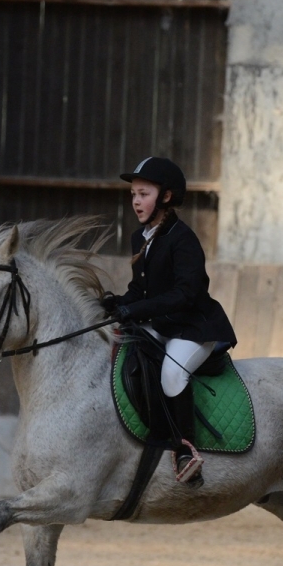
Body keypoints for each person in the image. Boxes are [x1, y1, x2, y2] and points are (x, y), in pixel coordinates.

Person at [101, 157, 237, 487]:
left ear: (165, 196)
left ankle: (186, 450)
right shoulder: (140, 237)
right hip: (162, 324)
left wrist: (136, 310)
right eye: (133, 194)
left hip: (193, 327)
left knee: (172, 374)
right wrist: (117, 303)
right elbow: (140, 289)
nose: (135, 201)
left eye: (143, 194)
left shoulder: (183, 239)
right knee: (127, 352)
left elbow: (185, 294)